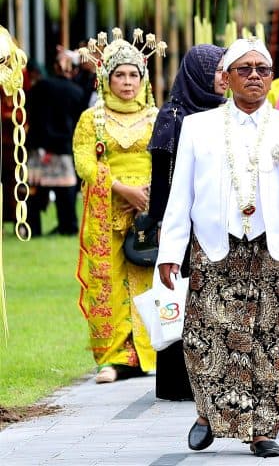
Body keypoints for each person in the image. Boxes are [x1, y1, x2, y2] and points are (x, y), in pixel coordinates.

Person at [156, 37, 279, 458]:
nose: (254, 76)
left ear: (270, 76)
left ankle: (262, 430)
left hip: (272, 249)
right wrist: (170, 252)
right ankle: (208, 415)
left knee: (266, 340)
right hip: (214, 246)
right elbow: (180, 195)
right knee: (203, 339)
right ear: (226, 77)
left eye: (262, 69)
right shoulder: (197, 127)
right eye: (243, 68)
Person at [73, 29, 162, 384]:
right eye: (119, 75)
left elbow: (167, 160)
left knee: (149, 277)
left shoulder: (157, 117)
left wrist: (151, 193)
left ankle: (151, 352)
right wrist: (122, 188)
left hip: (150, 208)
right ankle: (113, 358)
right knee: (106, 282)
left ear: (144, 78)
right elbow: (85, 164)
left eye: (133, 74)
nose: (127, 82)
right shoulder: (90, 120)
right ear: (105, 80)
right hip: (108, 210)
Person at [147, 44, 227, 401]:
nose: (226, 78)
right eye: (219, 71)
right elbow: (162, 178)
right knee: (181, 298)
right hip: (183, 222)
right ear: (199, 74)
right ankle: (178, 383)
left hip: (215, 218)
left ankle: (213, 372)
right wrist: (164, 224)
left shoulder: (227, 112)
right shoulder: (173, 117)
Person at [27, 48, 84, 236]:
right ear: (74, 71)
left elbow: (30, 114)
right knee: (66, 194)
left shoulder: (39, 87)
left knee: (33, 193)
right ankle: (68, 227)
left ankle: (31, 229)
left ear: (53, 67)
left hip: (39, 148)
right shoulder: (77, 92)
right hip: (64, 149)